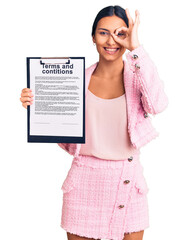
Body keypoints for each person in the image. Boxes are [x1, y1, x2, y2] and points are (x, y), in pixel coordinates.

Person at [20, 5, 169, 240]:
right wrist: (36, 104)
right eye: (103, 32)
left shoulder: (137, 75)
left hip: (127, 182)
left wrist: (136, 48)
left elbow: (158, 104)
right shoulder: (75, 80)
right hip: (84, 185)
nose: (111, 40)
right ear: (93, 37)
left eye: (120, 33)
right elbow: (66, 137)